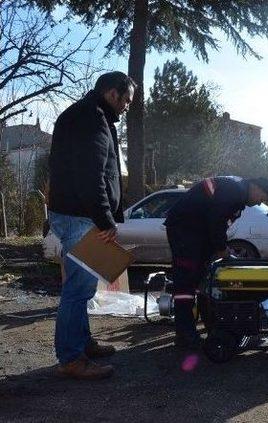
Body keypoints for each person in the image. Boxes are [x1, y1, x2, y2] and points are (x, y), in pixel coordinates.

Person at [48, 71, 136, 380]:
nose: (126, 106)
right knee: (78, 289)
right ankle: (71, 358)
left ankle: (81, 344)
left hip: (75, 214)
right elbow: (91, 176)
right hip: (81, 217)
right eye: (126, 99)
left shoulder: (85, 115)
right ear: (112, 93)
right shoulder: (91, 118)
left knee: (81, 288)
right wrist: (105, 220)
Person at [164, 176, 268, 348]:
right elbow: (216, 220)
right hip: (186, 231)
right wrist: (222, 248)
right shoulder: (234, 191)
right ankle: (185, 334)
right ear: (256, 187)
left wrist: (217, 249)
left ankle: (207, 325)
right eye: (263, 197)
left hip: (195, 232)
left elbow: (215, 222)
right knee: (186, 282)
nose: (260, 203)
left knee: (201, 278)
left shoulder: (237, 193)